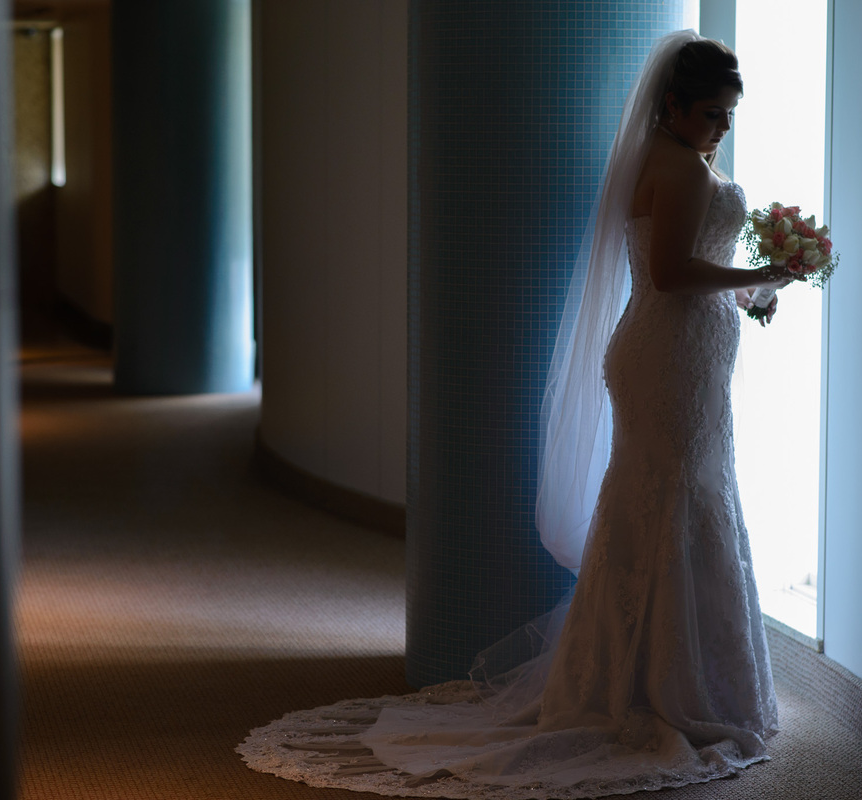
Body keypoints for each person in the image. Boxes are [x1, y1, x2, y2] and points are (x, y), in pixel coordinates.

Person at [238, 30, 790, 798]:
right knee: (676, 500)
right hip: (671, 360)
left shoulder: (661, 160)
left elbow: (672, 266)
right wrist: (764, 269)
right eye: (711, 114)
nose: (720, 128)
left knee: (662, 498)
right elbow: (668, 273)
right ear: (671, 106)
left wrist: (750, 292)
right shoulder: (684, 169)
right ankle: (677, 689)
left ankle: (638, 675)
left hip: (668, 357)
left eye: (727, 116)